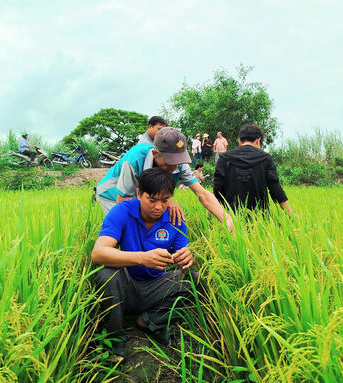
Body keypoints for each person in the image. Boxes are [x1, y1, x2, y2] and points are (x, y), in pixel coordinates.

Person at [91, 167, 200, 361]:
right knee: (106, 273)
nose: (159, 207)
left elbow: (184, 256)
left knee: (195, 280)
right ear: (139, 194)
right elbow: (98, 253)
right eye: (152, 200)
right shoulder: (122, 212)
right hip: (126, 285)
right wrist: (142, 258)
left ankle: (149, 320)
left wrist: (187, 257)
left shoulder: (175, 218)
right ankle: (115, 338)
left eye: (165, 200)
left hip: (156, 287)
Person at [96, 127, 233, 231]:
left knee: (157, 224)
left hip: (143, 196)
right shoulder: (135, 159)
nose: (174, 167)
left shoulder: (179, 164)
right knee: (126, 229)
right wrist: (166, 203)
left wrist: (225, 218)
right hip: (112, 194)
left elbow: (202, 193)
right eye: (170, 161)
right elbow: (122, 200)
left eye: (178, 160)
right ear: (155, 154)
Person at [213, 124, 293, 214]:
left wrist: (223, 214)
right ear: (258, 140)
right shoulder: (266, 158)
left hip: (231, 218)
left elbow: (217, 189)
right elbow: (275, 188)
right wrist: (290, 214)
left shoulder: (224, 158)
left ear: (240, 141)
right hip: (260, 218)